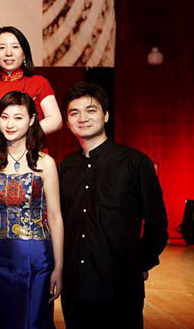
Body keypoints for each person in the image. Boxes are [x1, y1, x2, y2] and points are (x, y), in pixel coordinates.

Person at [59, 82, 168, 329]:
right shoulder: (65, 167)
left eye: (91, 110)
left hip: (119, 285)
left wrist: (142, 262)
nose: (82, 118)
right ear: (67, 123)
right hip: (76, 286)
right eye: (74, 113)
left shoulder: (135, 163)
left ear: (106, 115)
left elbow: (157, 222)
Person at [0, 91, 64, 328]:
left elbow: (55, 217)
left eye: (18, 117)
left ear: (31, 120)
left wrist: (59, 266)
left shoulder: (45, 163)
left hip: (37, 255)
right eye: (4, 117)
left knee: (34, 319)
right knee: (0, 318)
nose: (10, 124)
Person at [0, 26, 62, 143]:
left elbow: (56, 120)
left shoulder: (40, 83)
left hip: (33, 154)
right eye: (2, 47)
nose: (8, 53)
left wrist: (23, 134)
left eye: (15, 47)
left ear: (24, 54)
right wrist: (2, 137)